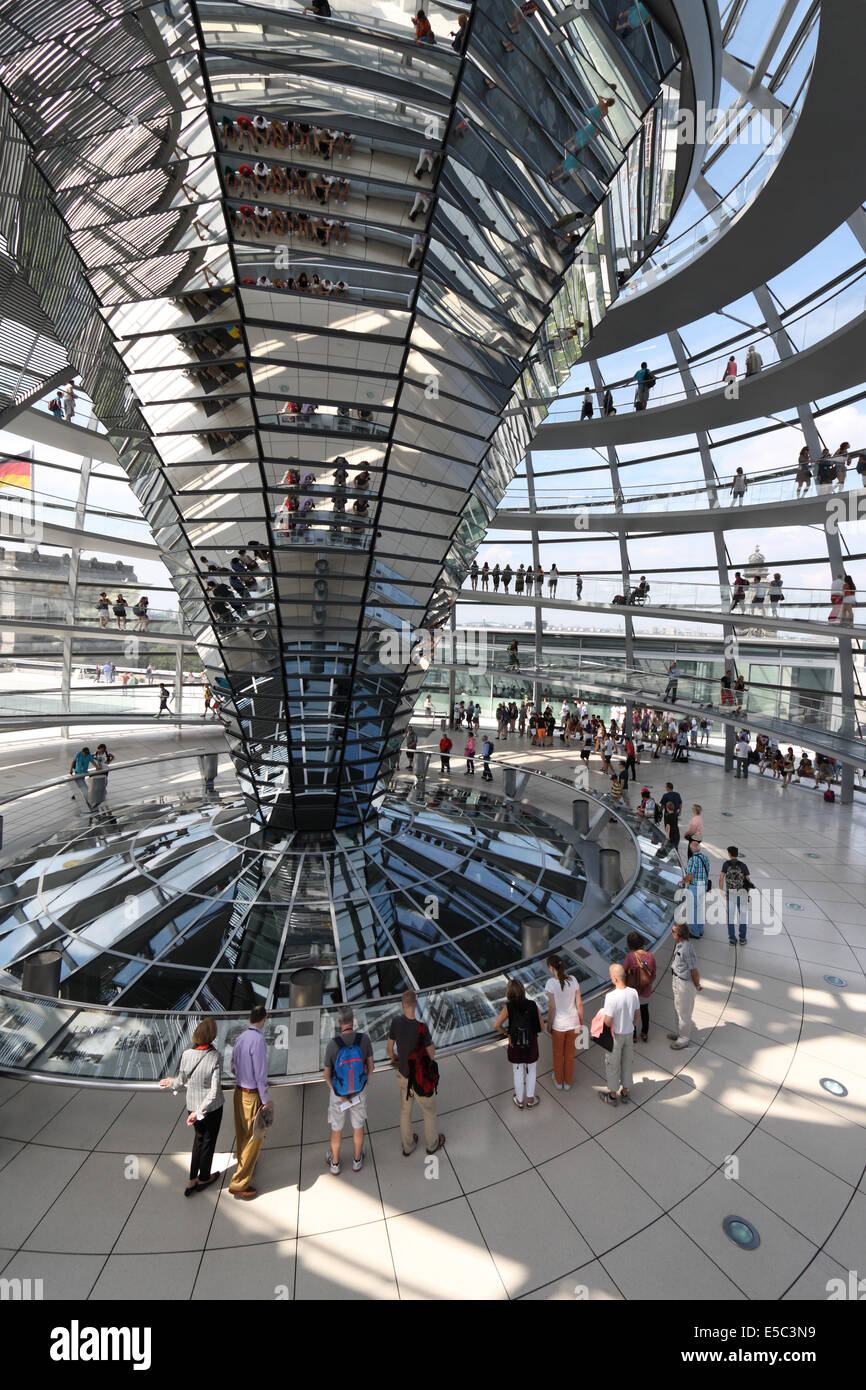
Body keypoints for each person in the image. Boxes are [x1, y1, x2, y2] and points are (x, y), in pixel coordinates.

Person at [159, 1017, 223, 1196]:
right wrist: (199, 1112)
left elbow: (180, 1081)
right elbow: (214, 1090)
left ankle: (191, 1179)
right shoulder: (215, 1056)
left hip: (191, 1105)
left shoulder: (187, 1054)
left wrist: (170, 1083)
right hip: (210, 1109)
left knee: (198, 1140)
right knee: (208, 1142)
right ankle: (204, 1178)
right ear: (212, 1036)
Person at [387, 990, 444, 1155]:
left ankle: (408, 1146)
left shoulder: (395, 1023)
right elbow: (431, 1055)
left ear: (402, 1005)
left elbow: (390, 1050)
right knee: (429, 1112)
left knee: (405, 1112)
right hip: (420, 1079)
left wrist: (397, 1057)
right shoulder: (422, 1028)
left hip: (404, 1075)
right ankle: (432, 1145)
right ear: (416, 1004)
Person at [228, 1004, 271, 1198]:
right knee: (255, 1136)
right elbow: (260, 1074)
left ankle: (244, 1166)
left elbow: (233, 1066)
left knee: (242, 1133)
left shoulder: (240, 1037)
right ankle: (239, 1183)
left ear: (249, 1019)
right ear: (264, 1019)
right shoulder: (259, 1040)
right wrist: (265, 1100)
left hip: (239, 1092)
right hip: (252, 1094)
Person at [324, 1007, 374, 1174]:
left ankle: (335, 1163)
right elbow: (371, 1068)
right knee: (358, 1126)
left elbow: (327, 1076)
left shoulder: (333, 1044)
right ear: (353, 1021)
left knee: (336, 1128)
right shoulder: (364, 1039)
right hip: (359, 1092)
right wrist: (361, 1087)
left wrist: (339, 1094)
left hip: (338, 1095)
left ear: (339, 1023)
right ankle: (357, 1159)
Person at [494, 979, 543, 1109]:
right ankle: (531, 1099)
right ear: (522, 990)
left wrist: (507, 1033)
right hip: (531, 1043)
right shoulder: (533, 1005)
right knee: (531, 1070)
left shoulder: (508, 1007)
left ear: (509, 992)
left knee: (517, 1072)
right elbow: (541, 1027)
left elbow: (496, 1025)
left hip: (515, 1044)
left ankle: (520, 1101)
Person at [599, 964, 640, 1105]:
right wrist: (631, 1025)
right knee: (627, 1062)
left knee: (612, 1064)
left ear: (615, 979)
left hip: (616, 1036)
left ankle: (612, 1095)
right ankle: (625, 1092)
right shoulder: (633, 993)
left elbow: (608, 1022)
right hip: (629, 1033)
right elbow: (637, 1014)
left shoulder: (611, 997)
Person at [545, 954, 583, 1091]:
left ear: (551, 967)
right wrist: (580, 1021)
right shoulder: (573, 980)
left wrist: (549, 1025)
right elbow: (579, 1003)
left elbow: (552, 1007)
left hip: (559, 1025)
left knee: (557, 1053)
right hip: (574, 1023)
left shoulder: (550, 983)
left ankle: (558, 1080)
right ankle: (567, 1082)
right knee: (570, 1054)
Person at [668, 923, 702, 1050]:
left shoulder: (687, 949)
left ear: (678, 935)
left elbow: (694, 970)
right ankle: (679, 1033)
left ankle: (684, 1039)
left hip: (685, 983)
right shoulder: (680, 944)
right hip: (677, 979)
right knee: (677, 1008)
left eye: (673, 931)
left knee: (684, 1012)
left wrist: (697, 985)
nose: (672, 933)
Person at [623, 931, 656, 1042]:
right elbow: (653, 974)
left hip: (633, 991)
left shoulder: (630, 957)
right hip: (645, 991)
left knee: (632, 1013)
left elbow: (623, 971)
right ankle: (645, 1033)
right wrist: (647, 983)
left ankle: (633, 1035)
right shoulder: (650, 956)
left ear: (630, 944)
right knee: (644, 1011)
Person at [720, 846, 751, 945]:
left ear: (729, 854)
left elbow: (721, 879)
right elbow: (748, 882)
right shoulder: (743, 865)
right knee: (742, 916)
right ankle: (742, 939)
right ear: (737, 854)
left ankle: (732, 939)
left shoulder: (726, 864)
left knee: (730, 917)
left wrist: (722, 892)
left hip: (731, 893)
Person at [681, 840, 710, 938]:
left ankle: (694, 932)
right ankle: (701, 930)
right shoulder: (705, 857)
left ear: (691, 849)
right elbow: (707, 870)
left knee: (692, 910)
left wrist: (682, 882)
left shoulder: (693, 859)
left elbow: (690, 875)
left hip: (695, 887)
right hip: (703, 885)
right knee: (700, 908)